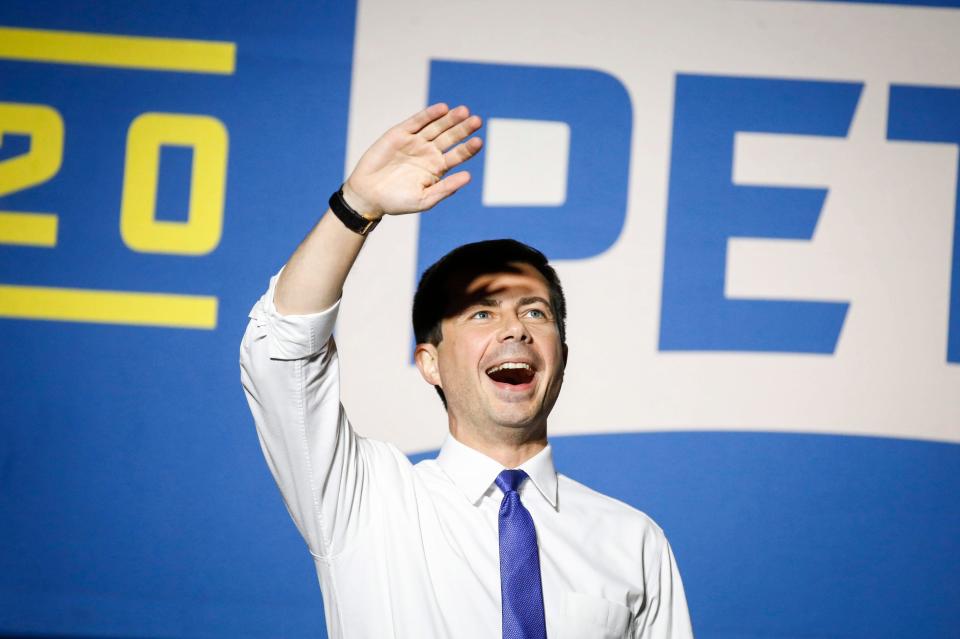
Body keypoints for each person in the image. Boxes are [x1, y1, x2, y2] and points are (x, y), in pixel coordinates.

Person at [240, 103, 694, 638]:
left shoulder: (633, 540)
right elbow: (282, 349)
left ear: (562, 357)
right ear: (429, 363)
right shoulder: (367, 501)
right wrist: (357, 206)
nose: (515, 329)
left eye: (534, 312)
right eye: (482, 312)